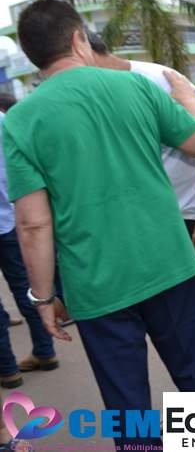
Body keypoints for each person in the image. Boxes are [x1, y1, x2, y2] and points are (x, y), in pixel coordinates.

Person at [4, 0, 195, 448]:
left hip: (95, 283)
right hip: (167, 263)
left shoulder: (21, 120)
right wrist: (188, 99)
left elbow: (32, 225)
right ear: (78, 39)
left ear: (33, 56)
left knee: (128, 409)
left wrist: (43, 298)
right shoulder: (134, 87)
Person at [89, 36, 195, 392]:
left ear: (83, 51)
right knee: (180, 325)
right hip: (155, 224)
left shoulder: (161, 81)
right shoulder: (90, 93)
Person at [0, 95, 57, 391]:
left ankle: (7, 369)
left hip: (12, 218)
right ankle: (45, 352)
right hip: (10, 218)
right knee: (25, 287)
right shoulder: (6, 122)